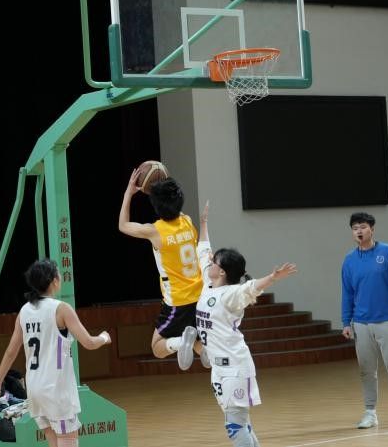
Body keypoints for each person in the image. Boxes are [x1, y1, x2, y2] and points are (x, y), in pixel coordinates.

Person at [195, 202, 297, 447]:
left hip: (235, 368)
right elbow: (203, 249)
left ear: (222, 271)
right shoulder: (208, 283)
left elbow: (251, 288)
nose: (210, 261)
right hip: (218, 370)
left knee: (235, 426)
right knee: (242, 425)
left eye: (214, 261)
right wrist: (204, 223)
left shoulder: (231, 294)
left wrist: (272, 277)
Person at [0, 259, 111, 447]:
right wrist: (103, 337)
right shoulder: (61, 309)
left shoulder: (24, 311)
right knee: (68, 441)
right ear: (54, 280)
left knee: (54, 443)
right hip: (56, 389)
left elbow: (10, 352)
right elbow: (89, 343)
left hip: (34, 390)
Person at [118, 167, 206, 370]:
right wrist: (164, 183)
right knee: (197, 340)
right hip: (200, 296)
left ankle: (180, 342)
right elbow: (175, 203)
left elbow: (123, 225)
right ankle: (206, 352)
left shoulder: (154, 231)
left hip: (178, 301)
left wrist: (129, 193)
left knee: (157, 347)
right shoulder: (188, 222)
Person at [340, 211, 388, 428]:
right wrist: (346, 322)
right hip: (361, 323)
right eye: (355, 228)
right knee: (366, 370)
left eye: (363, 227)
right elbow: (347, 293)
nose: (359, 231)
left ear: (372, 229)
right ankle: (370, 413)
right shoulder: (349, 261)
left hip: (387, 320)